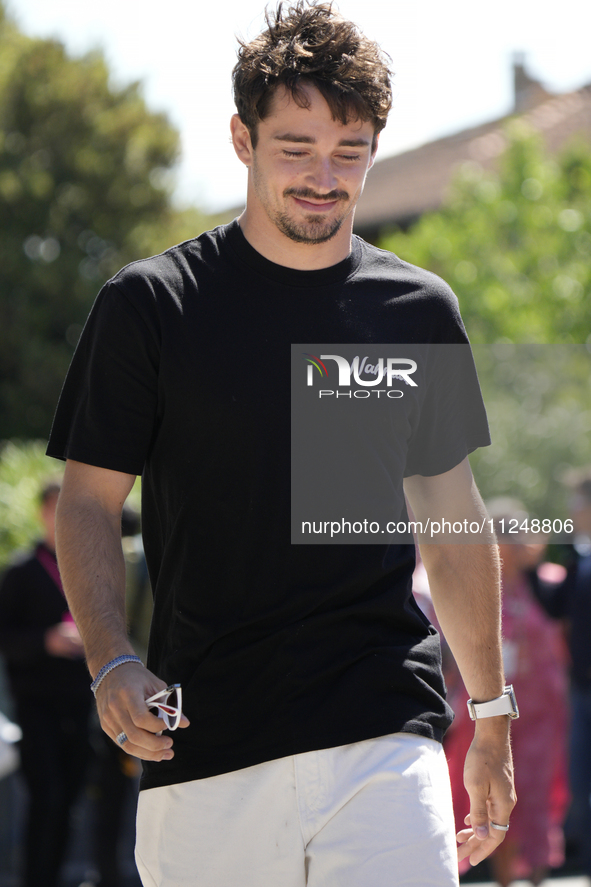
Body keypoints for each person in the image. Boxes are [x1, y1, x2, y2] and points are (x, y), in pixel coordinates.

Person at [46, 3, 516, 885]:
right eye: (295, 146)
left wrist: (489, 718)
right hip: (205, 738)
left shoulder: (415, 311)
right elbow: (88, 499)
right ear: (241, 138)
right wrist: (111, 655)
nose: (323, 176)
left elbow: (451, 519)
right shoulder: (151, 306)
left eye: (349, 149)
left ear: (376, 145)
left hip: (385, 728)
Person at [439, 502, 570, 886]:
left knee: (539, 795)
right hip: (490, 712)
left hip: (542, 712)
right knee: (497, 796)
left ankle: (539, 877)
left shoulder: (548, 582)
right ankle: (504, 880)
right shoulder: (474, 588)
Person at [0, 480, 92, 887]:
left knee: (71, 799)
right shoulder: (21, 572)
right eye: (57, 510)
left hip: (81, 702)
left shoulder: (90, 566)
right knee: (46, 799)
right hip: (36, 705)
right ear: (42, 513)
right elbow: (6, 639)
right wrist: (46, 640)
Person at [533, 471, 591, 879]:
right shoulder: (579, 560)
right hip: (582, 691)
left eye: (577, 504)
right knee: (580, 784)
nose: (571, 513)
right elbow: (555, 607)